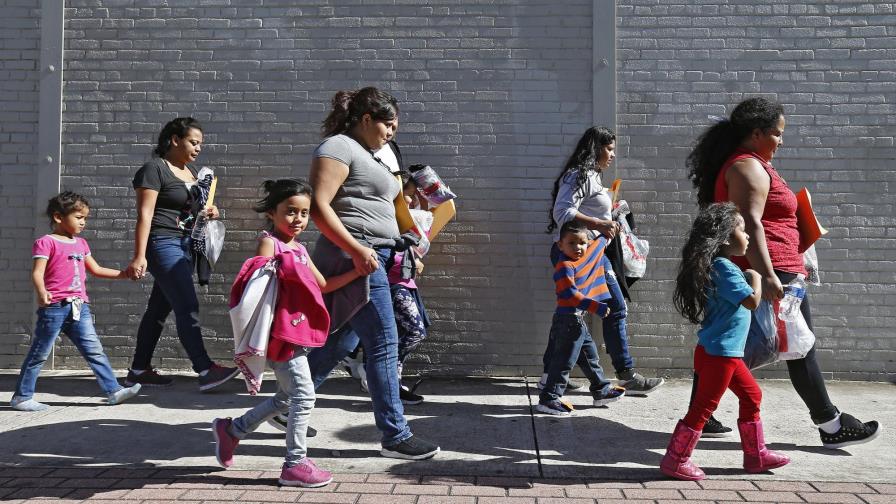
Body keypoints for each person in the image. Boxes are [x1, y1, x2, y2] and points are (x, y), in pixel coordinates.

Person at [686, 97, 880, 448]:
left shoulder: (755, 165)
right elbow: (751, 223)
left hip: (778, 268)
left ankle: (700, 414)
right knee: (798, 347)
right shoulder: (746, 168)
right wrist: (769, 276)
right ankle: (831, 425)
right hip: (771, 271)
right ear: (756, 133)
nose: (781, 140)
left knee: (731, 344)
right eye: (777, 133)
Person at [304, 86, 440, 460]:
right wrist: (357, 250)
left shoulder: (369, 154)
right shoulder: (338, 147)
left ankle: (287, 402)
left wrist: (406, 240)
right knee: (383, 342)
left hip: (373, 253)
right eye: (388, 125)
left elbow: (386, 206)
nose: (391, 132)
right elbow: (319, 207)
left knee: (342, 339)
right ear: (366, 119)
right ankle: (395, 435)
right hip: (357, 256)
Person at [213, 178, 361, 487]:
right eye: (290, 211)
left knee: (285, 398)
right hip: (280, 336)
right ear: (272, 213)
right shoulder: (270, 243)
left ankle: (232, 430)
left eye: (304, 213)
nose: (298, 219)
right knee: (304, 396)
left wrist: (357, 272)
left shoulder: (300, 248)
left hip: (299, 334)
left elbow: (322, 285)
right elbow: (257, 290)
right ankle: (295, 464)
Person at [662, 203, 790, 480]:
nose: (747, 236)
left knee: (752, 396)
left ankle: (756, 456)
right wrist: (756, 277)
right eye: (742, 231)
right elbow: (751, 301)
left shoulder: (720, 267)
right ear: (725, 239)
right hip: (720, 354)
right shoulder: (724, 268)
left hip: (723, 353)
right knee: (703, 408)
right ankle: (676, 460)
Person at [544, 126, 665, 396]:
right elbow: (562, 212)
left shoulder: (591, 177)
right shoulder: (579, 174)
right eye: (609, 149)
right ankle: (626, 375)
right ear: (595, 148)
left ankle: (549, 374)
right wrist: (600, 222)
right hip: (582, 255)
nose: (612, 155)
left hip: (594, 254)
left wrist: (610, 211)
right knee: (609, 309)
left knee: (572, 313)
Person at [125, 117, 239, 391]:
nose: (198, 148)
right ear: (175, 140)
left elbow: (192, 210)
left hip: (186, 245)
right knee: (187, 305)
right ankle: (205, 369)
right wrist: (139, 255)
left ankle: (138, 370)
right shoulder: (154, 169)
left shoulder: (192, 172)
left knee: (158, 310)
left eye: (200, 144)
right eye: (193, 142)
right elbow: (145, 215)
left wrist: (211, 211)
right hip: (162, 243)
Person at [10, 192, 142, 411]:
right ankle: (22, 397)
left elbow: (96, 269)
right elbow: (37, 273)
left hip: (79, 307)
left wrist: (125, 274)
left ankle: (114, 391)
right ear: (58, 217)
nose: (83, 222)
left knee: (94, 350)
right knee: (40, 353)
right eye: (79, 217)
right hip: (54, 308)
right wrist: (42, 291)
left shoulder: (81, 243)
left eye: (85, 218)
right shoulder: (46, 242)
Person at [535, 220, 625, 416]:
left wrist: (613, 228)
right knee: (564, 362)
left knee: (590, 357)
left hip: (576, 321)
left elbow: (600, 242)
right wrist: (596, 307)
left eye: (582, 243)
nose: (578, 247)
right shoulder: (564, 266)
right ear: (560, 245)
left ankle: (601, 390)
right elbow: (570, 295)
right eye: (572, 243)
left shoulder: (586, 255)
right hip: (567, 321)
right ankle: (549, 398)